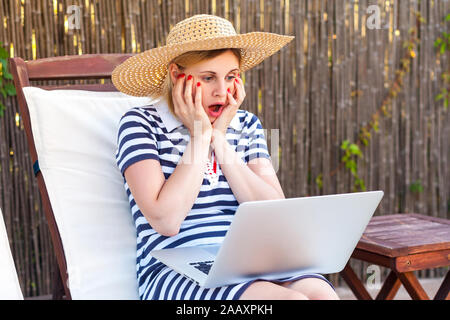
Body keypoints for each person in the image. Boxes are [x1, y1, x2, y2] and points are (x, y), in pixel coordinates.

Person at [112, 14, 339, 300]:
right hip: (176, 268)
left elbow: (274, 214)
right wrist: (199, 136)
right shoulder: (140, 124)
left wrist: (219, 138)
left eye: (231, 77)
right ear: (176, 75)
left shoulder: (246, 125)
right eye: (208, 78)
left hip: (253, 260)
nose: (222, 91)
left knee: (321, 294)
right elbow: (166, 221)